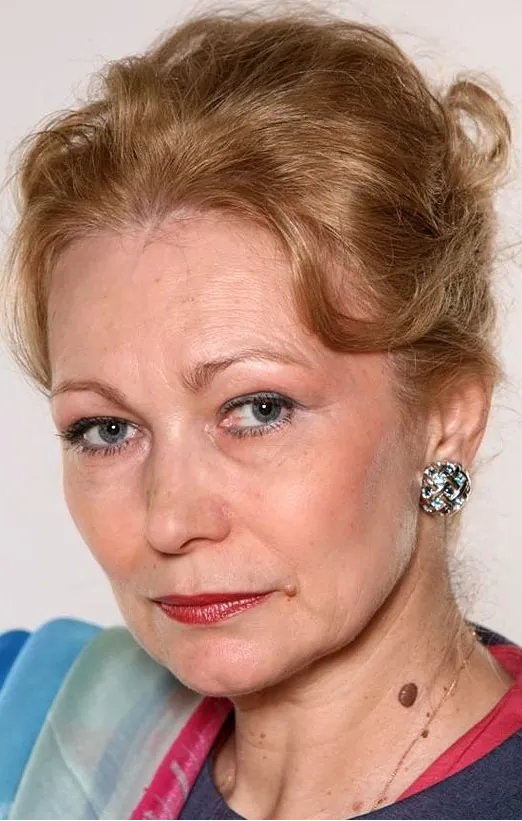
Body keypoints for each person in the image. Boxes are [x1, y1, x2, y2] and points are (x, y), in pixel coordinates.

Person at [0, 7, 521, 820]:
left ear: (445, 419)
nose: (171, 520)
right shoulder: (27, 726)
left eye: (257, 408)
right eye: (107, 430)